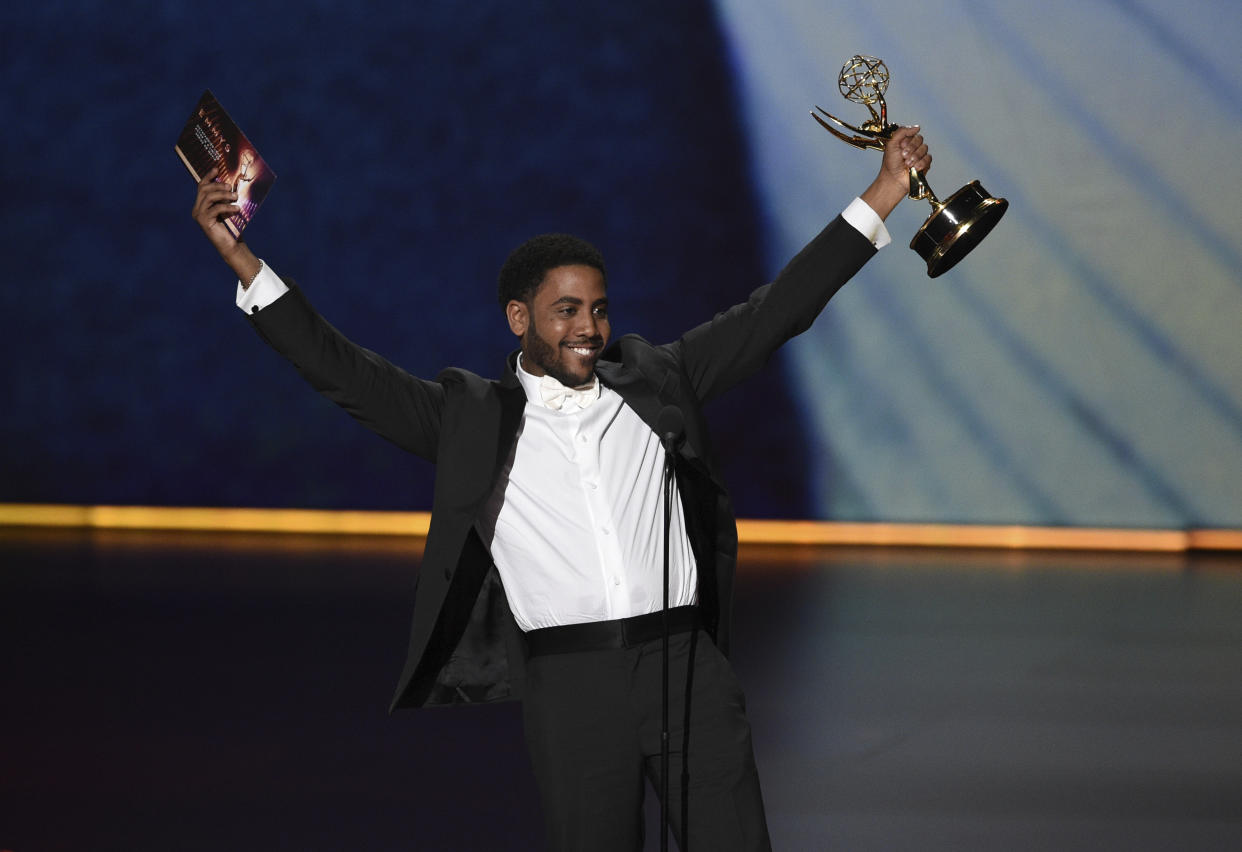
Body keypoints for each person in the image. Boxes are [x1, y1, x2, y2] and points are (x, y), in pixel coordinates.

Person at [192, 125, 931, 852]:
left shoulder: (657, 380)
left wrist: (885, 192)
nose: (590, 327)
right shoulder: (471, 419)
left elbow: (776, 312)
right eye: (567, 310)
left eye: (599, 309)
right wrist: (243, 261)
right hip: (573, 687)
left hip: (686, 670)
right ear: (520, 319)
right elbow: (341, 370)